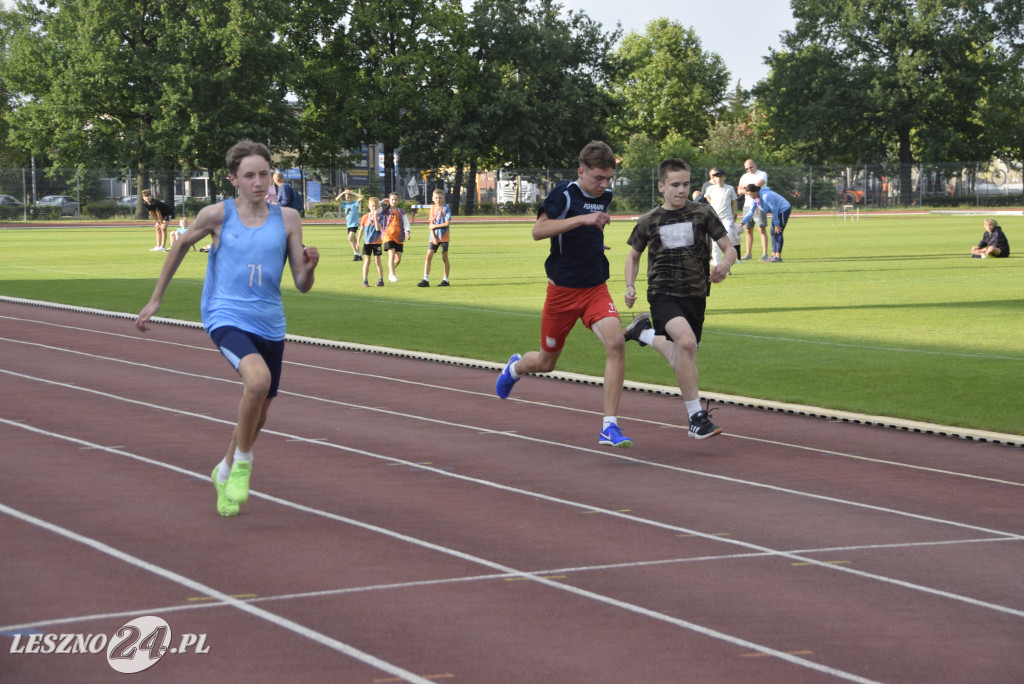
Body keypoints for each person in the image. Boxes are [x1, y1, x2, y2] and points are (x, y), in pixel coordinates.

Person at [135, 139, 320, 517]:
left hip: (269, 321)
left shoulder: (287, 219)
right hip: (225, 315)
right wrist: (156, 298)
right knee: (256, 382)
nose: (258, 181)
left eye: (264, 174)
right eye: (249, 175)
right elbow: (181, 245)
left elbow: (300, 284)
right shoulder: (218, 215)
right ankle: (242, 466)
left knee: (260, 411)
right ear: (233, 179)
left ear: (272, 176)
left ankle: (222, 470)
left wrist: (310, 267)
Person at [495, 140, 633, 448]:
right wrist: (584, 221)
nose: (604, 185)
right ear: (581, 171)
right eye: (598, 177)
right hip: (562, 294)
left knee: (616, 343)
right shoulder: (564, 193)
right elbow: (539, 230)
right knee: (546, 363)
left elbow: (585, 230)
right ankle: (515, 367)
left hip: (595, 287)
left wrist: (593, 242)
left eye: (608, 178)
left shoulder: (604, 196)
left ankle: (609, 426)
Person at [622, 158, 735, 440]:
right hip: (662, 293)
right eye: (675, 185)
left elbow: (728, 248)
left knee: (684, 354)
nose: (681, 190)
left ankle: (644, 333)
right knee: (686, 343)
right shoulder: (649, 220)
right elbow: (633, 256)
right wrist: (629, 285)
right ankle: (696, 418)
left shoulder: (703, 213)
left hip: (695, 294)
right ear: (661, 186)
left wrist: (725, 266)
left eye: (685, 184)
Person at [741, 185, 791, 262]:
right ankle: (773, 255)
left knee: (778, 231)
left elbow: (774, 210)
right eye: (748, 195)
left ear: (756, 192)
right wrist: (742, 222)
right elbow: (751, 211)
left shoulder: (766, 196)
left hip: (783, 210)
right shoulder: (756, 198)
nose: (750, 196)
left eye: (751, 194)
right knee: (772, 232)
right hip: (777, 211)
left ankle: (777, 257)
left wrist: (777, 224)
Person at [703, 167, 741, 268]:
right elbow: (707, 197)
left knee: (727, 242)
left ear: (724, 177)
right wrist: (713, 205)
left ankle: (726, 266)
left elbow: (734, 202)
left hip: (727, 218)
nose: (718, 178)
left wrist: (733, 215)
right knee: (715, 244)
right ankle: (716, 266)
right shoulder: (710, 189)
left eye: (720, 176)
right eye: (716, 176)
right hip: (715, 219)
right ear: (714, 178)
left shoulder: (729, 188)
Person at [417, 188, 452, 287]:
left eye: (440, 198)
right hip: (433, 237)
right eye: (436, 198)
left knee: (444, 258)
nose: (438, 200)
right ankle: (425, 279)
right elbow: (430, 224)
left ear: (443, 198)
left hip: (444, 236)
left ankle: (446, 280)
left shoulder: (446, 209)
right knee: (428, 256)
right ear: (433, 198)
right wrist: (433, 237)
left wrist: (435, 226)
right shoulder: (432, 209)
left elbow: (446, 223)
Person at [737, 159, 768, 261]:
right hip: (747, 205)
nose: (749, 169)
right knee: (748, 230)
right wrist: (749, 191)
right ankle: (748, 253)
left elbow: (756, 186)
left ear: (755, 164)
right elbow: (739, 190)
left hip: (759, 205)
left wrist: (747, 188)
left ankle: (764, 253)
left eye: (751, 167)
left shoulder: (762, 174)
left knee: (761, 229)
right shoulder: (744, 176)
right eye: (746, 168)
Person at [384, 192, 412, 282]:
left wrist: (407, 232)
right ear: (389, 200)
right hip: (388, 236)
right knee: (391, 254)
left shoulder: (401, 212)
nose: (394, 201)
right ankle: (392, 274)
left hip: (399, 237)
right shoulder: (385, 210)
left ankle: (391, 271)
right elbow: (375, 208)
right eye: (392, 199)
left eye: (396, 199)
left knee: (398, 259)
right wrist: (382, 202)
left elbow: (406, 222)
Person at [360, 196, 386, 287]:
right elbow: (361, 229)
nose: (374, 208)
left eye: (376, 206)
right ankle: (365, 280)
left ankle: (381, 280)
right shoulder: (365, 217)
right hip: (367, 242)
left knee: (377, 261)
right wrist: (358, 242)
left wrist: (375, 216)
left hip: (377, 242)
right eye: (373, 206)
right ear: (369, 206)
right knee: (367, 261)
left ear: (379, 207)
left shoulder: (380, 217)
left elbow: (378, 228)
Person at [335, 188, 364, 261]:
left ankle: (356, 254)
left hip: (354, 224)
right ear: (345, 198)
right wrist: (343, 193)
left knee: (350, 237)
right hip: (349, 224)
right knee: (353, 240)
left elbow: (361, 197)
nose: (349, 199)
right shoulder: (345, 204)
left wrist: (353, 193)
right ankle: (357, 255)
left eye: (351, 197)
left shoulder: (355, 203)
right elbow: (337, 199)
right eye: (348, 197)